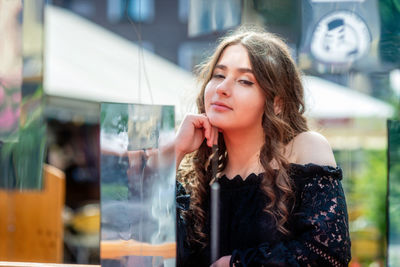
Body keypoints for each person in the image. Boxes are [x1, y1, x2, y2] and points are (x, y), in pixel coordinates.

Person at [173, 26, 351, 267]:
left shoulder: (304, 148)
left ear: (277, 103)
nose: (222, 88)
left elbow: (328, 253)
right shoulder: (201, 175)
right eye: (218, 75)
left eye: (245, 81)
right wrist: (175, 151)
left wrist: (235, 264)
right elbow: (158, 248)